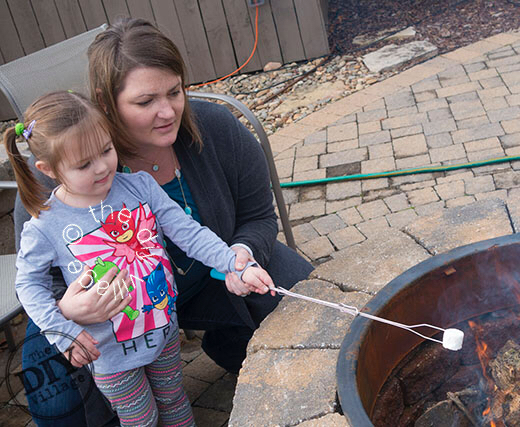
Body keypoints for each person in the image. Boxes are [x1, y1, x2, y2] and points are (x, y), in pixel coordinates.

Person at [13, 17, 314, 426]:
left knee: (297, 290)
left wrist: (238, 257)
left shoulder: (212, 131)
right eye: (144, 101)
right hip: (103, 321)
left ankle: (231, 344)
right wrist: (67, 312)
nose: (167, 111)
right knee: (52, 390)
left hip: (179, 299)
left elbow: (258, 216)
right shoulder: (53, 172)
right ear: (106, 102)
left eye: (175, 92)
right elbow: (33, 278)